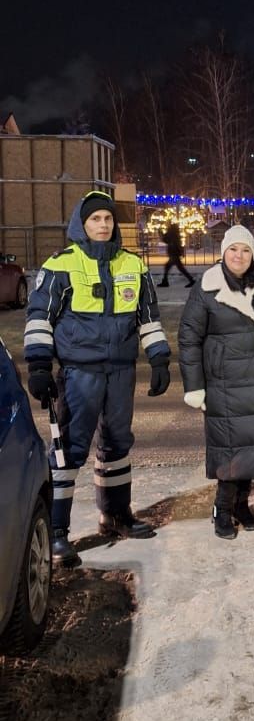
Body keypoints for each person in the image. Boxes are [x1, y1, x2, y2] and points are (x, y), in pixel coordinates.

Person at [24, 190, 171, 568]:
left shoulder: (134, 266)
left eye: (108, 219)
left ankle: (116, 516)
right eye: (95, 219)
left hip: (121, 371)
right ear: (82, 224)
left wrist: (159, 359)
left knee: (117, 444)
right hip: (79, 373)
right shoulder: (61, 265)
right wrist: (39, 366)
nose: (103, 225)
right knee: (69, 450)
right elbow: (40, 318)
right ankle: (57, 532)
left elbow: (148, 317)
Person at [178, 225, 254, 539]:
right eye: (233, 249)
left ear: (252, 255)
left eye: (245, 250)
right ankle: (222, 509)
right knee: (231, 453)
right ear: (223, 252)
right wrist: (194, 386)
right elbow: (189, 338)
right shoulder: (207, 288)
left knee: (253, 451)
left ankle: (242, 506)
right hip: (224, 385)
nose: (239, 256)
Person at [158, 221, 194, 287]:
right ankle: (191, 280)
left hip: (173, 253)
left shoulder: (171, 233)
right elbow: (176, 243)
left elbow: (166, 240)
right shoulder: (175, 234)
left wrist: (161, 233)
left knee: (176, 268)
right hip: (175, 253)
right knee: (175, 267)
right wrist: (181, 251)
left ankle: (191, 280)